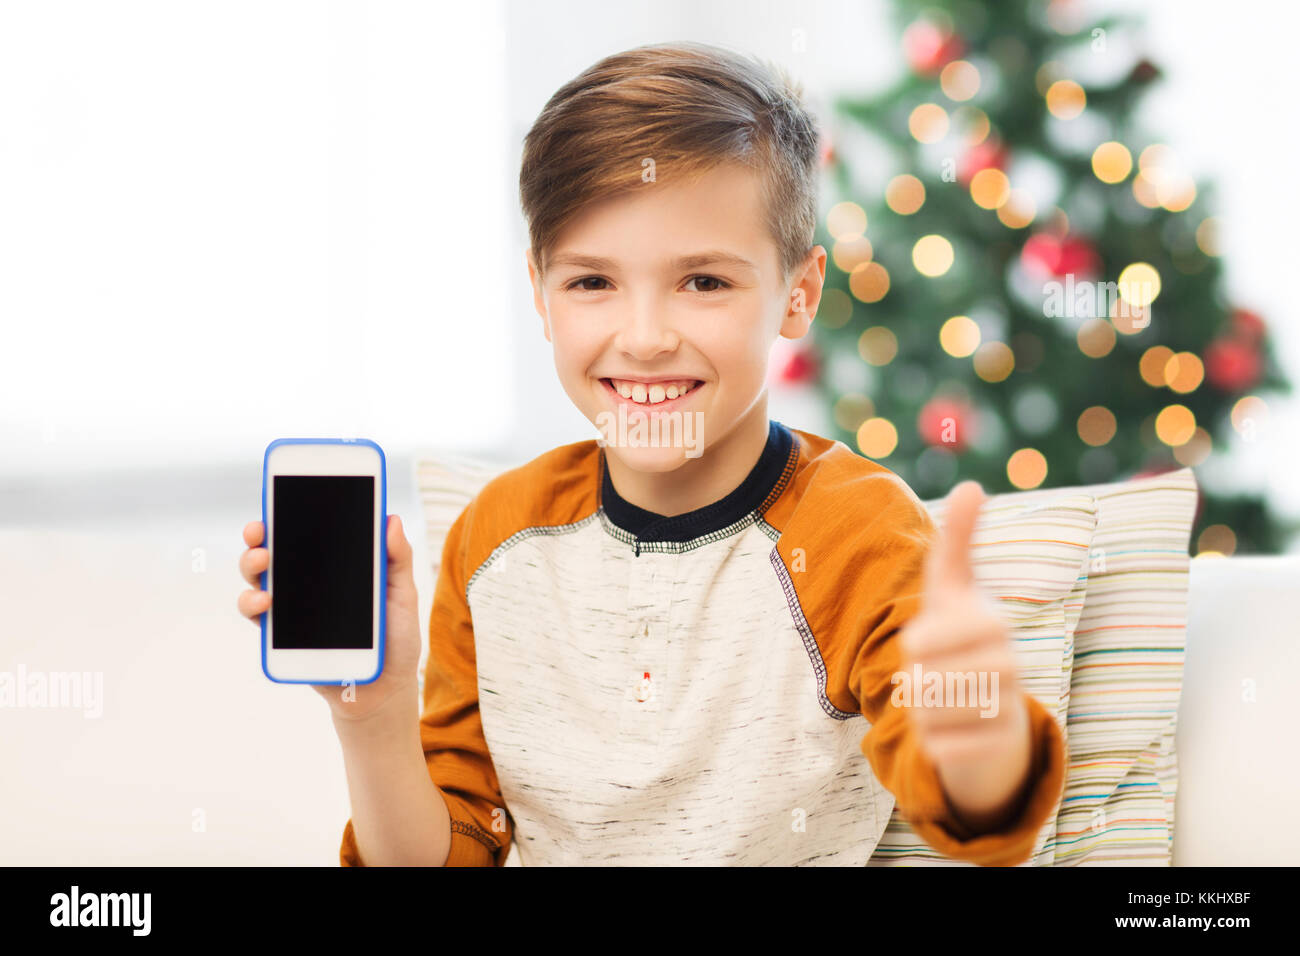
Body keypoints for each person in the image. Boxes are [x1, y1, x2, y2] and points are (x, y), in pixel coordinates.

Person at [237, 40, 1065, 866]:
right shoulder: (496, 537)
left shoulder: (857, 531)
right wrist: (372, 720)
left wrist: (977, 730)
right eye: (591, 282)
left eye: (704, 281)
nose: (642, 339)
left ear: (799, 294)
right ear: (540, 292)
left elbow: (973, 801)